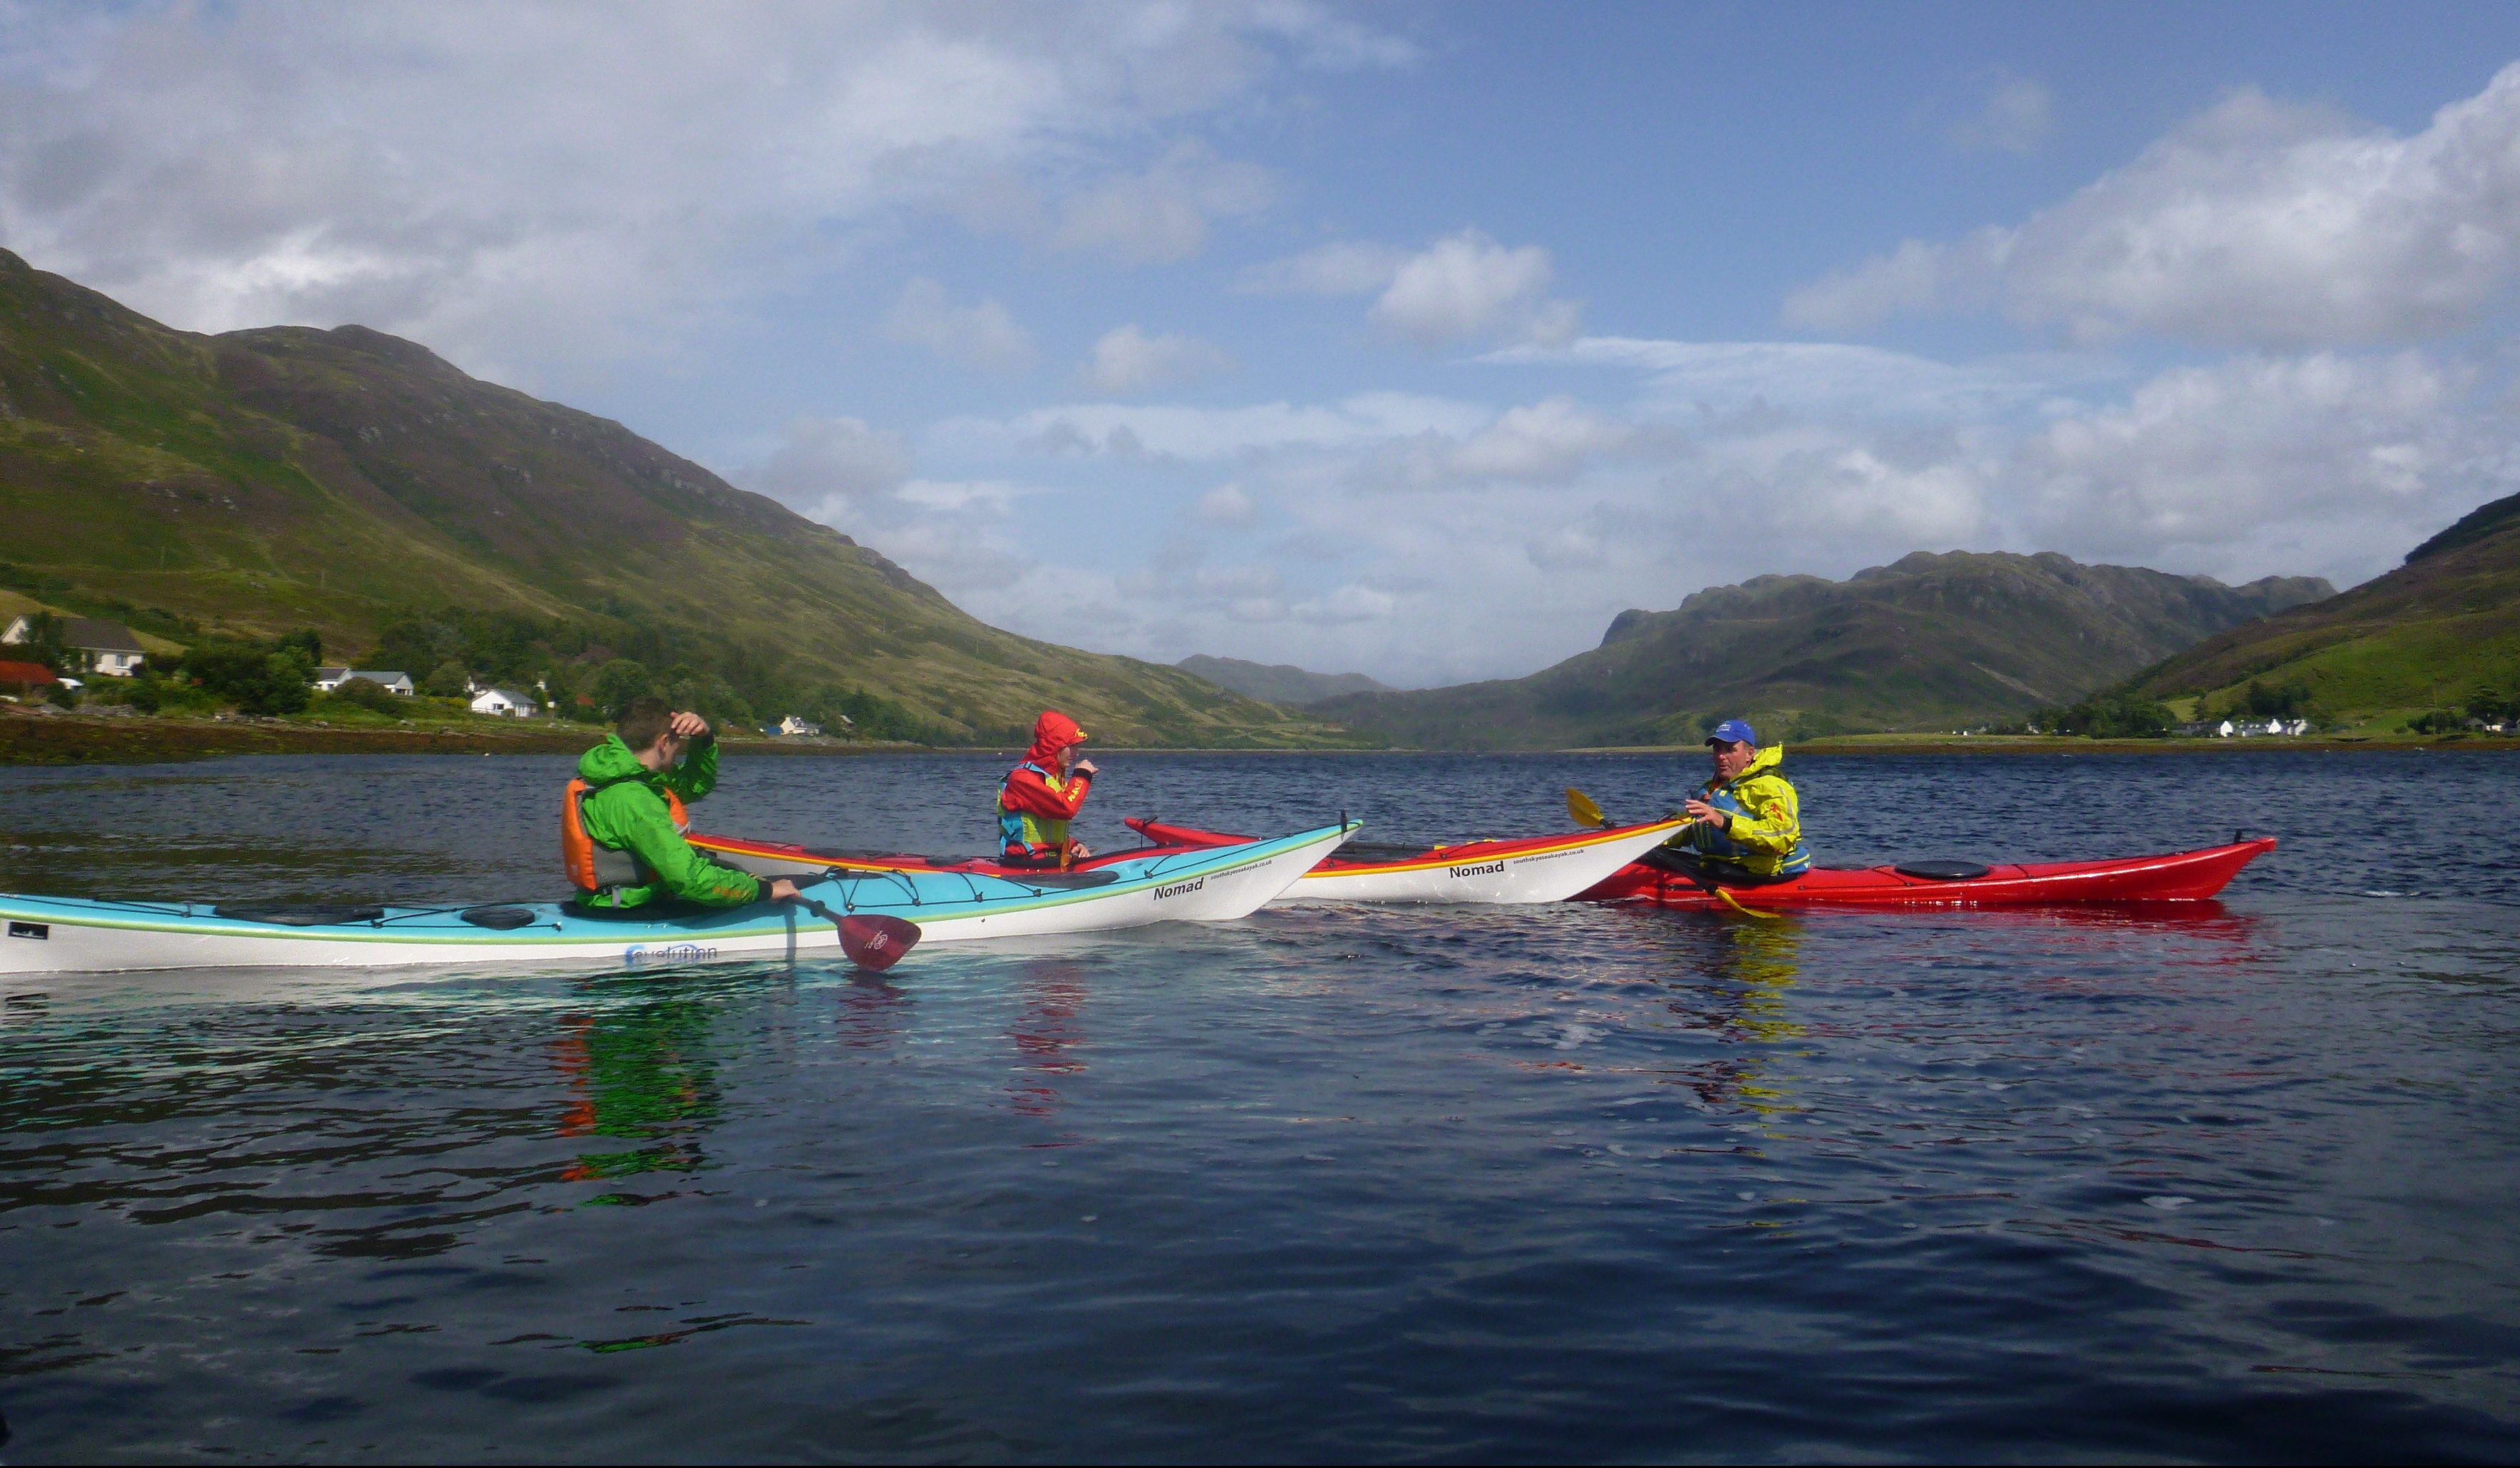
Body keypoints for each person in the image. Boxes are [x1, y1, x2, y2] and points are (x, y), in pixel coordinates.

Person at [564, 697, 800, 910]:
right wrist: (769, 890)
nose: (679, 749)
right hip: (629, 906)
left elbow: (693, 786)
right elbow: (690, 880)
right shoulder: (636, 800)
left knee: (727, 871)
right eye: (679, 744)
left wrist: (704, 739)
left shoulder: (620, 775)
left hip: (613, 899)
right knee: (744, 886)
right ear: (664, 742)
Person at [1649, 718, 1811, 886]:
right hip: (1720, 870)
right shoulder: (1712, 788)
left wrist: (1725, 823)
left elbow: (1782, 836)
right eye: (1717, 749)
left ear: (1749, 754)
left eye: (1729, 750)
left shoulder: (1770, 786)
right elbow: (1689, 829)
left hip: (1762, 877)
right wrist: (1644, 838)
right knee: (1653, 857)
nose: (1721, 756)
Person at [999, 709, 1098, 866]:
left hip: (1051, 863)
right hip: (1025, 865)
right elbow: (1066, 808)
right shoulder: (1022, 780)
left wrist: (1073, 845)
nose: (1077, 753)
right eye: (1071, 746)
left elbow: (1048, 831)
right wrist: (1082, 775)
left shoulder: (1054, 780)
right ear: (1054, 747)